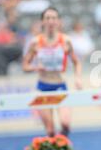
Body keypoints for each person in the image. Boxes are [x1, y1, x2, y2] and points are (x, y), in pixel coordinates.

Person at [23, 7, 82, 137]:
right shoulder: (35, 42)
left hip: (60, 86)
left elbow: (77, 62)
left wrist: (78, 78)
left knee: (65, 124)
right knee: (50, 130)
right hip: (43, 87)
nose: (51, 21)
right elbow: (25, 66)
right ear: (42, 22)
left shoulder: (65, 41)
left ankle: (62, 149)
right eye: (47, 18)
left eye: (54, 18)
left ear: (58, 21)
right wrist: (35, 68)